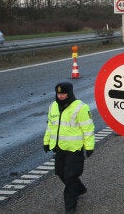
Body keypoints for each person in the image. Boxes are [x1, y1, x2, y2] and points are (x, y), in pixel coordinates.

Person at [43, 82, 95, 213]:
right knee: (61, 174)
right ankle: (80, 188)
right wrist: (47, 141)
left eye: (63, 93)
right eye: (58, 93)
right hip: (59, 148)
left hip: (74, 149)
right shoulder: (53, 106)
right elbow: (50, 126)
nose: (60, 96)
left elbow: (88, 128)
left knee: (70, 177)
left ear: (70, 93)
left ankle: (70, 208)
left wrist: (89, 146)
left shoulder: (81, 107)